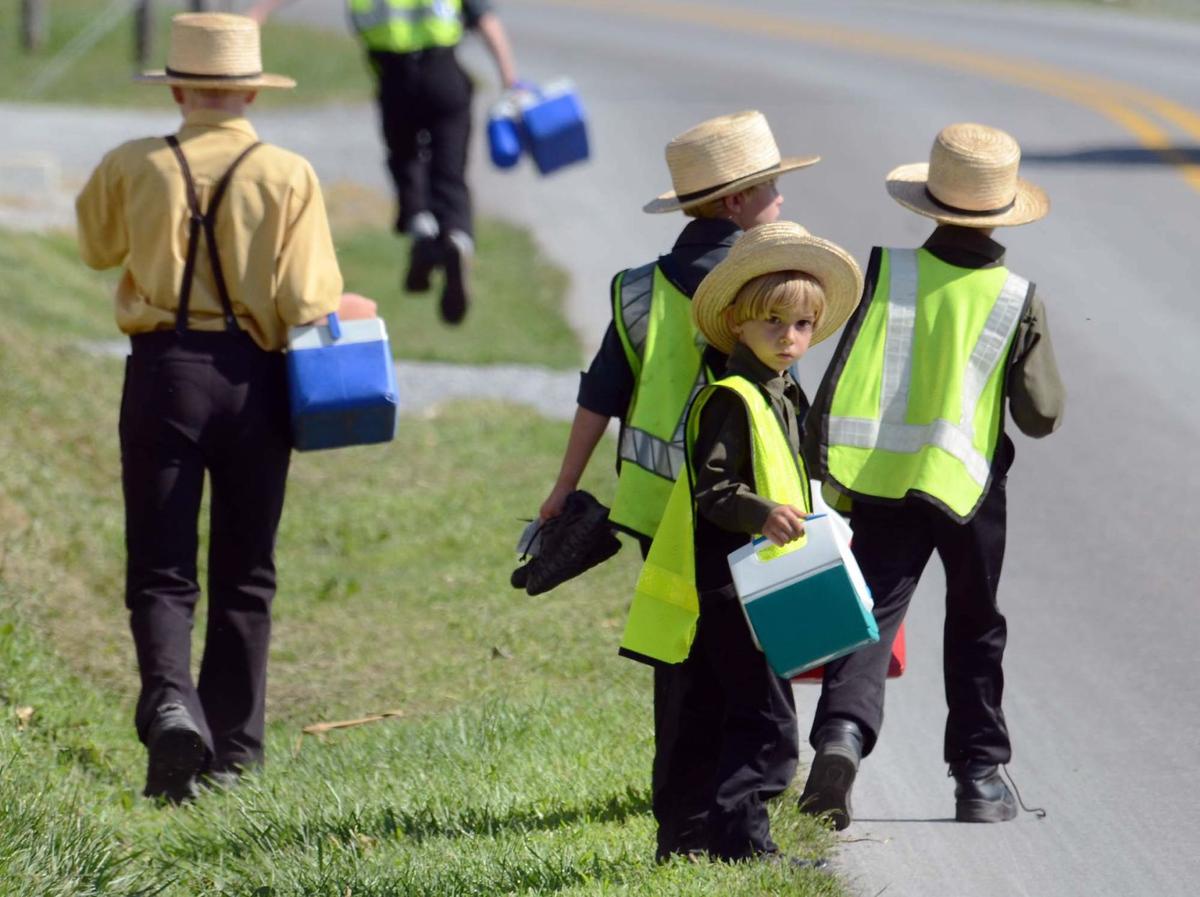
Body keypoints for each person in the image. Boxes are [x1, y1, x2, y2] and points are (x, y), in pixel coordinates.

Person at [75, 12, 347, 802]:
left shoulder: (133, 163)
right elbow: (305, 296)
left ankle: (167, 704)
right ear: (251, 93)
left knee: (161, 568)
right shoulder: (288, 174)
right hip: (254, 379)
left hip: (162, 371)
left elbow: (95, 247)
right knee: (246, 571)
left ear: (181, 87)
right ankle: (233, 754)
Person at [536, 110, 818, 861]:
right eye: (770, 189)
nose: (780, 203)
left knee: (684, 673)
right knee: (753, 669)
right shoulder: (764, 289)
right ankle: (738, 824)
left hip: (656, 515)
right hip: (744, 514)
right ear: (735, 203)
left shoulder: (634, 290)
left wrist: (563, 487)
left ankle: (685, 825)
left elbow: (599, 394)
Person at [799, 123, 1065, 828]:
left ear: (933, 204)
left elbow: (844, 379)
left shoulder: (888, 272)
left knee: (873, 616)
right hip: (970, 490)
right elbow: (1041, 415)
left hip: (883, 481)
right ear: (1002, 212)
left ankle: (840, 739)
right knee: (975, 623)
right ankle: (979, 776)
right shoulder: (1016, 296)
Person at [620, 221, 863, 862]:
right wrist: (763, 515)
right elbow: (713, 490)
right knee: (765, 723)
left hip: (758, 582)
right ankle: (741, 842)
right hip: (727, 586)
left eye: (804, 326)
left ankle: (691, 839)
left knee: (709, 712)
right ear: (736, 322)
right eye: (774, 322)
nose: (790, 338)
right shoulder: (729, 398)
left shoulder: (785, 392)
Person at [247, 0, 519, 324]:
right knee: (450, 170)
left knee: (405, 162)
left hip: (395, 80)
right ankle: (457, 236)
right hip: (444, 74)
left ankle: (422, 229)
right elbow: (486, 20)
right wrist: (510, 80)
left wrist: (254, 18)